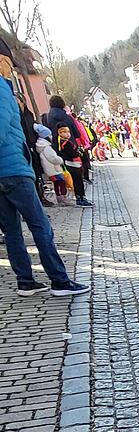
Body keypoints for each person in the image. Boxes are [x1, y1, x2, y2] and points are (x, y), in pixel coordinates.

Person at [0, 74, 90, 297]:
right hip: (14, 171)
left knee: (11, 231)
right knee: (40, 226)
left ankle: (25, 281)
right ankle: (59, 281)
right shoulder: (1, 88)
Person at [56, 124, 93, 207]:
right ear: (60, 133)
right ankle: (80, 198)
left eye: (68, 132)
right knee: (78, 182)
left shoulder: (63, 143)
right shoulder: (66, 144)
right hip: (73, 165)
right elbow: (73, 154)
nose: (67, 134)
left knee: (78, 182)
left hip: (72, 164)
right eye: (64, 132)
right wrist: (79, 151)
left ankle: (81, 198)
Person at [34, 124, 70, 206]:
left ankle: (59, 197)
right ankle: (62, 198)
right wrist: (60, 160)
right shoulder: (47, 147)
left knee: (57, 184)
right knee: (61, 183)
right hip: (55, 169)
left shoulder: (41, 146)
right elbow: (53, 158)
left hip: (50, 170)